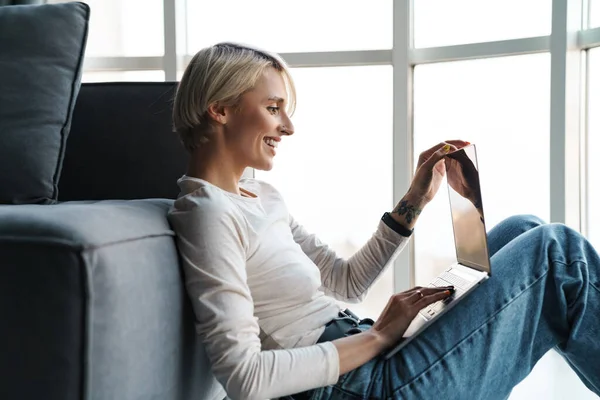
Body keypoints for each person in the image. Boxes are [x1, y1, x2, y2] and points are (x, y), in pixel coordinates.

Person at [167, 42, 600, 400]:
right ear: (220, 110)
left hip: (367, 356)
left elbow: (345, 282)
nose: (288, 127)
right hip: (365, 387)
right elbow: (246, 377)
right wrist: (377, 338)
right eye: (274, 107)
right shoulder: (208, 214)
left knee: (523, 228)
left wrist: (415, 199)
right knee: (558, 253)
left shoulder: (258, 196)